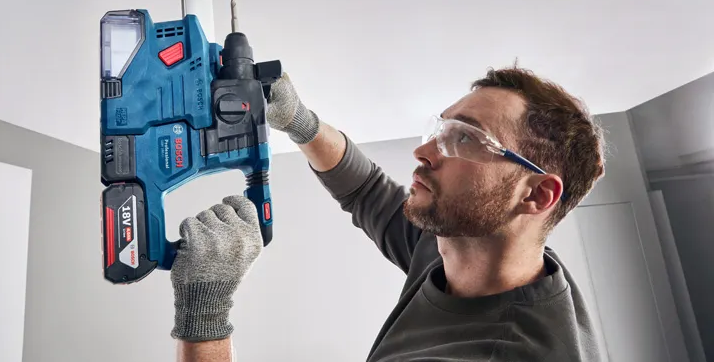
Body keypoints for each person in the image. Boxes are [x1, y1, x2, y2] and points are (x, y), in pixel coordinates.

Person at [170, 67, 607, 362]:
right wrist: (301, 122)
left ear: (537, 195)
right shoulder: (465, 247)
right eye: (441, 130)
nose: (422, 152)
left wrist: (205, 313)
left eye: (467, 140)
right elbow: (365, 190)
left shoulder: (502, 353)